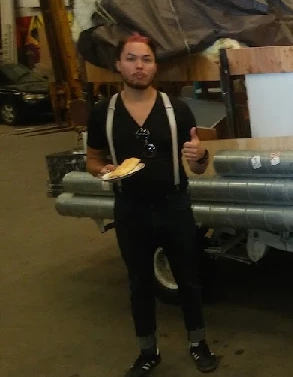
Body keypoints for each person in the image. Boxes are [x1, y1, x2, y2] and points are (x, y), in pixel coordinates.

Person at [85, 33, 218, 376]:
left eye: (145, 59)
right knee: (139, 283)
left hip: (174, 205)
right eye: (131, 59)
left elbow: (199, 166)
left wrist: (200, 156)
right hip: (130, 210)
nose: (139, 66)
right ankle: (147, 351)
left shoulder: (177, 109)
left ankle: (198, 343)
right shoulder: (104, 112)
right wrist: (104, 171)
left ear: (155, 66)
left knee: (188, 279)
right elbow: (93, 158)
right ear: (118, 65)